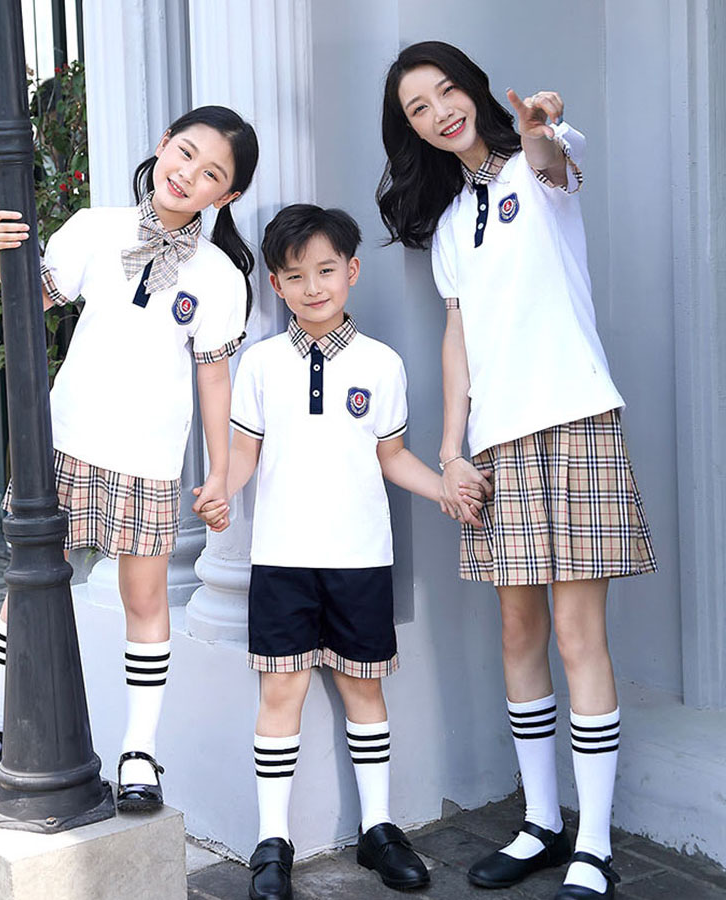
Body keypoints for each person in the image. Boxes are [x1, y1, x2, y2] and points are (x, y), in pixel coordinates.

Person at [376, 41, 656, 900]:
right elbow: (458, 341)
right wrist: (451, 449)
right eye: (418, 109)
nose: (439, 113)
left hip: (574, 418)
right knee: (517, 632)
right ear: (410, 129)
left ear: (472, 89)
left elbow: (551, 160)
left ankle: (594, 844)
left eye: (446, 92)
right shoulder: (448, 226)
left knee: (578, 636)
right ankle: (541, 822)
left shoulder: (541, 164)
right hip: (496, 442)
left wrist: (539, 128)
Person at [0, 105, 259, 813]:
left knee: (145, 601)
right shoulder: (95, 228)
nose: (190, 174)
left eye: (213, 173)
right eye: (186, 153)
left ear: (227, 195)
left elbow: (214, 377)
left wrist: (218, 472)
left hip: (148, 459)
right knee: (27, 587)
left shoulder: (218, 276)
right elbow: (31, 299)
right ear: (163, 145)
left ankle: (140, 752)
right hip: (64, 442)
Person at [195, 204, 440, 899]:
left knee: (364, 688)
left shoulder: (381, 364)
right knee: (282, 691)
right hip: (282, 559)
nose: (312, 287)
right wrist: (219, 489)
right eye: (295, 275)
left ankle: (378, 829)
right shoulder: (261, 364)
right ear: (276, 284)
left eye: (326, 271)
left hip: (360, 558)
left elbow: (393, 456)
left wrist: (446, 489)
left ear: (351, 271)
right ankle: (273, 840)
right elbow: (244, 455)